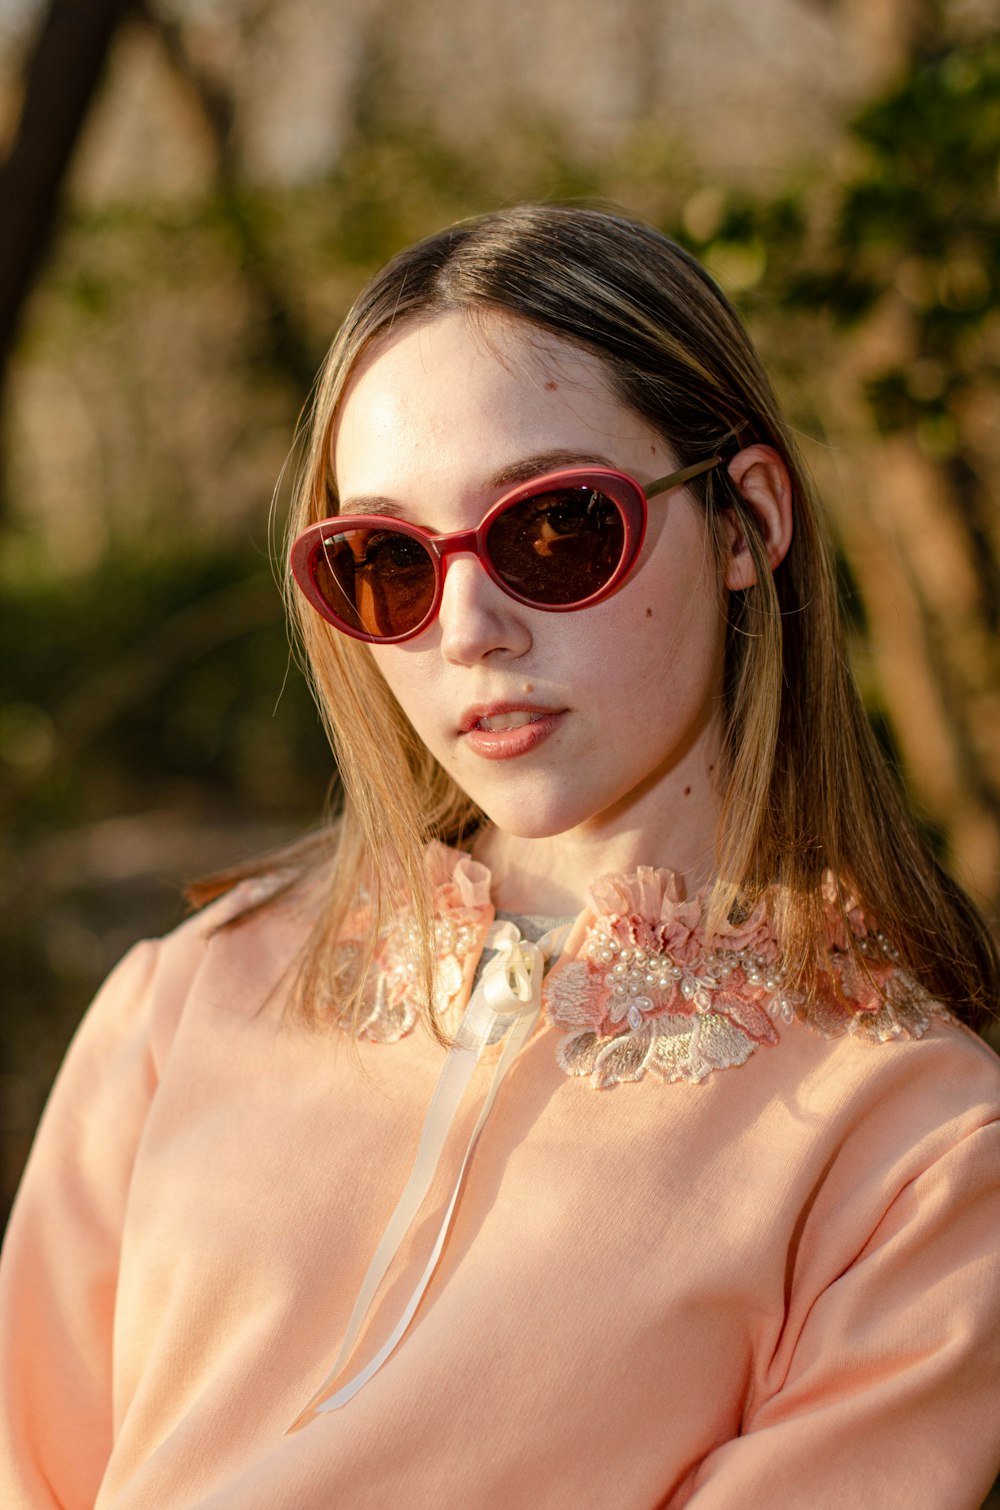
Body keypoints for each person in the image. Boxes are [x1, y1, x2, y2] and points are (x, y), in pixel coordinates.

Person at [2, 204, 999, 1509]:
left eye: (553, 530)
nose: (468, 626)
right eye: (386, 562)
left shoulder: (922, 1155)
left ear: (746, 522)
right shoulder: (184, 997)